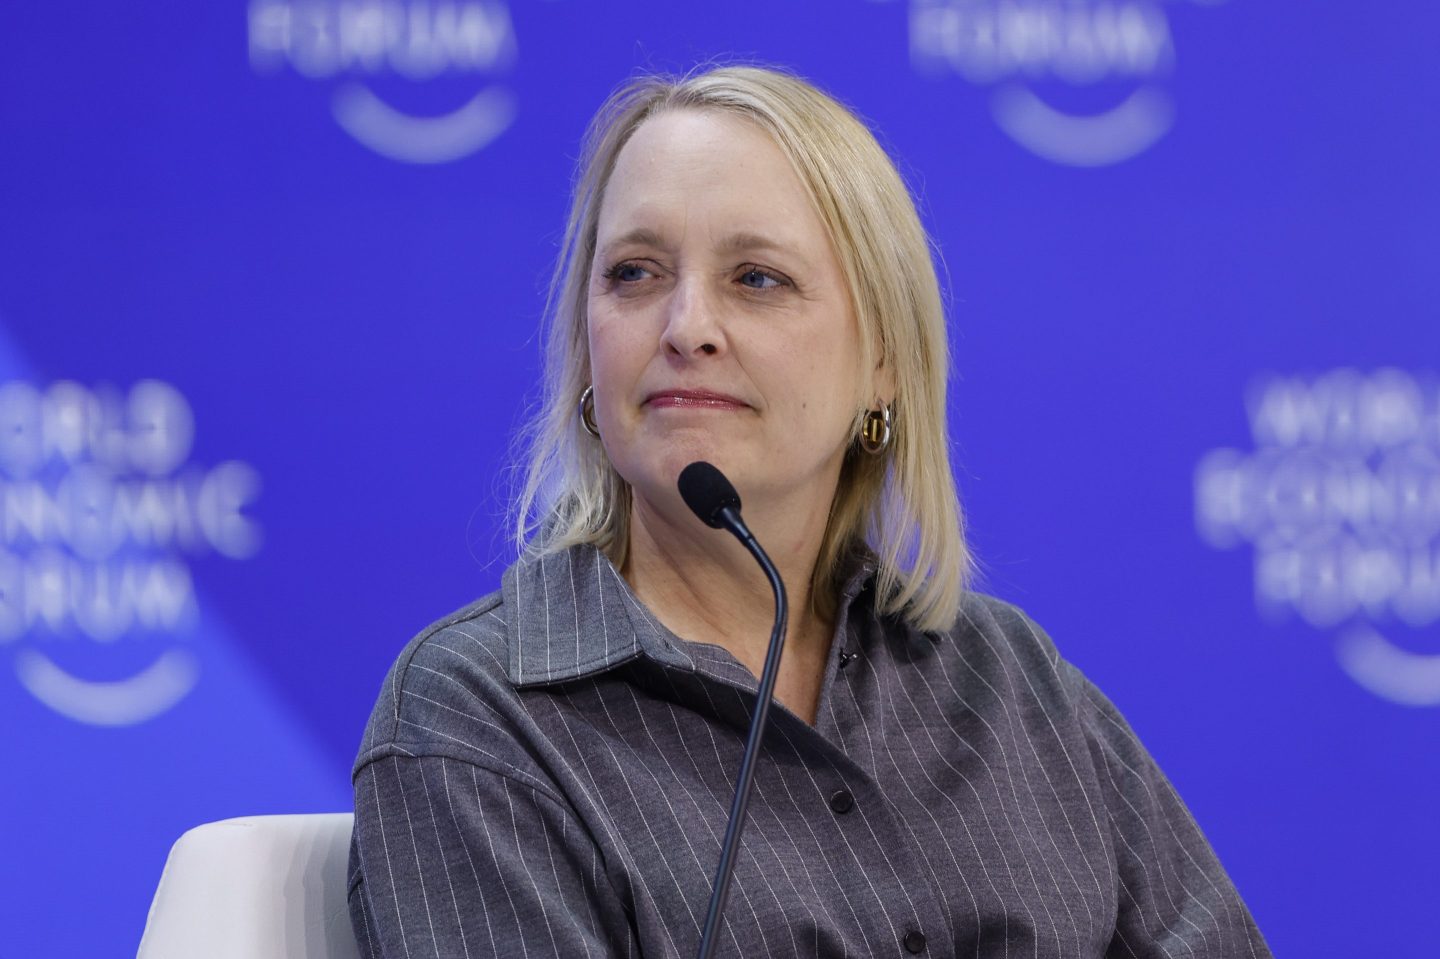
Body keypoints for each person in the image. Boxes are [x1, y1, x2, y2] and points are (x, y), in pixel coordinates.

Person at [347, 64, 1272, 958]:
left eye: (756, 278)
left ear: (883, 363)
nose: (686, 326)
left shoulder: (1008, 679)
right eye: (634, 272)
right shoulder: (480, 715)